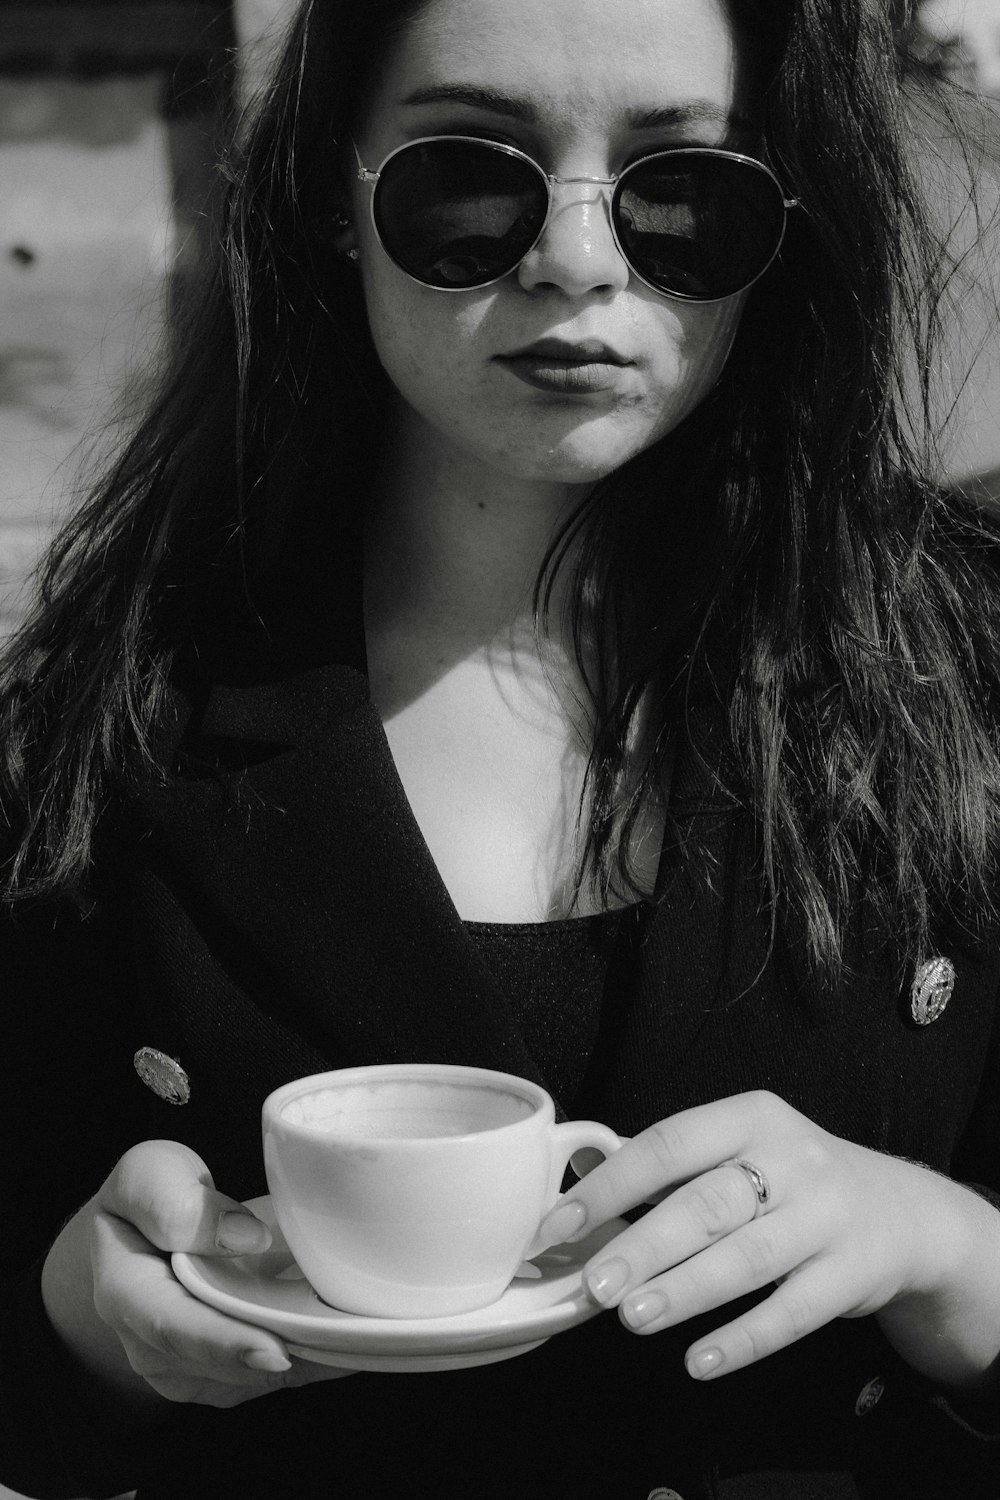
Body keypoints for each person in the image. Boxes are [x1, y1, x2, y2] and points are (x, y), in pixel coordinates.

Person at [2, 0, 1000, 1495]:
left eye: (683, 193)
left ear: (785, 218)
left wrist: (940, 1251)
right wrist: (91, 1319)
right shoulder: (112, 708)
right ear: (333, 200)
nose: (579, 260)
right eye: (471, 179)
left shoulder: (959, 667)